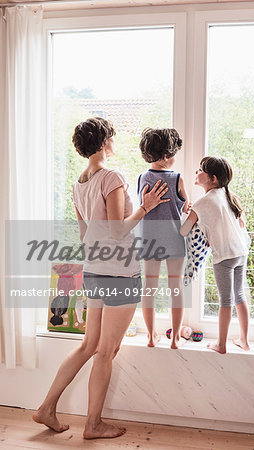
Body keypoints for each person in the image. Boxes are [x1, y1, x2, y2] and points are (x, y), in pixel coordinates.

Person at [33, 117, 169, 439]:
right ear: (104, 142)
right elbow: (118, 229)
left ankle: (46, 408)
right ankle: (92, 425)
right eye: (112, 137)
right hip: (120, 272)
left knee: (89, 346)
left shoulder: (79, 183)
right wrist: (145, 207)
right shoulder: (112, 177)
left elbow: (85, 235)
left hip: (94, 270)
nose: (114, 142)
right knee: (105, 351)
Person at [180, 156, 250, 354]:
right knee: (239, 295)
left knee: (225, 301)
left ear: (213, 178)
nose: (196, 172)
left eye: (200, 169)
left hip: (225, 257)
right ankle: (244, 340)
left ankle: (221, 344)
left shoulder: (202, 203)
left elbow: (184, 231)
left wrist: (187, 212)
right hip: (241, 252)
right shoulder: (228, 195)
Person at [138, 128, 191, 349]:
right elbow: (186, 205)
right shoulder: (177, 178)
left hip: (150, 240)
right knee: (175, 288)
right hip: (173, 238)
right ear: (167, 156)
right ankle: (176, 338)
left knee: (149, 289)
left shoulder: (142, 178)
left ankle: (151, 336)